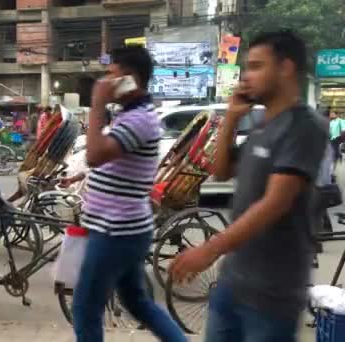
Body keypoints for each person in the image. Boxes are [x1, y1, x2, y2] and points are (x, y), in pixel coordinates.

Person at [170, 31, 328, 342]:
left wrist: (209, 250)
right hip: (233, 283)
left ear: (285, 68)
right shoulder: (262, 125)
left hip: (272, 295)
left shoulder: (304, 127)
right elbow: (220, 173)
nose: (247, 77)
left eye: (256, 66)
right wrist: (230, 119)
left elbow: (275, 203)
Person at [72, 46, 186, 342]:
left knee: (85, 307)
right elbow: (113, 166)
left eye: (111, 75)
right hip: (123, 227)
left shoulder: (140, 120)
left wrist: (97, 104)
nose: (105, 82)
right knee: (137, 302)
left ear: (130, 78)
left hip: (115, 230)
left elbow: (95, 155)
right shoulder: (131, 114)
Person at [329, 110, 344, 178]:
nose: (331, 115)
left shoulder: (341, 121)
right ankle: (339, 155)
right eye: (331, 114)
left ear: (336, 115)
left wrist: (342, 138)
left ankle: (332, 173)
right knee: (332, 154)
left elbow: (344, 130)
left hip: (337, 138)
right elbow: (329, 130)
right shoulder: (331, 122)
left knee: (334, 154)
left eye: (332, 114)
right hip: (331, 139)